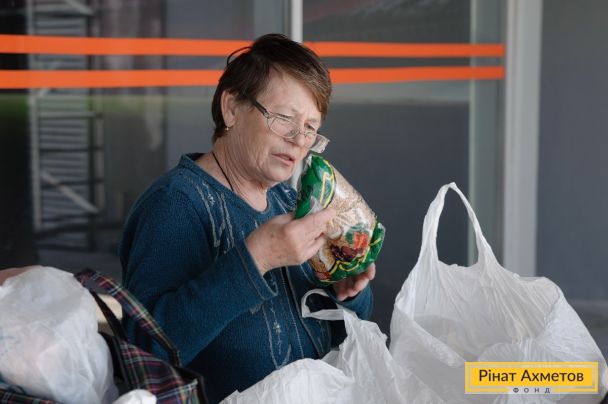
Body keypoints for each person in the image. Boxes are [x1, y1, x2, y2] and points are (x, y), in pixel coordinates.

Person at [119, 33, 375, 403]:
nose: (298, 139)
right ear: (232, 109)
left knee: (464, 382)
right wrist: (257, 259)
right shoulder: (175, 204)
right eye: (284, 118)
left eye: (310, 128)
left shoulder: (289, 200)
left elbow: (346, 336)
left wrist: (347, 292)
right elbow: (145, 353)